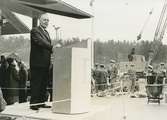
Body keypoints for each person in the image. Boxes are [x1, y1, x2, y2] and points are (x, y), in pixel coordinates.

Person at [30, 13, 53, 110]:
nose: (46, 22)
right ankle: (34, 103)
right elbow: (40, 42)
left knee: (43, 83)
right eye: (44, 20)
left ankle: (41, 102)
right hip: (37, 63)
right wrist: (52, 47)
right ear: (40, 20)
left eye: (48, 20)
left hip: (45, 63)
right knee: (37, 83)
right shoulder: (35, 31)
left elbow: (46, 44)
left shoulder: (47, 33)